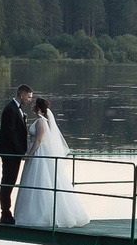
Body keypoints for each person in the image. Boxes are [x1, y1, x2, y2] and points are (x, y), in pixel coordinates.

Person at [11, 98, 91, 230]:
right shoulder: (40, 120)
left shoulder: (41, 121)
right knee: (36, 182)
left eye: (34, 103)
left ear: (38, 107)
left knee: (41, 181)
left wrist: (29, 155)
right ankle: (33, 213)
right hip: (37, 153)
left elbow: (38, 140)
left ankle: (42, 216)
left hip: (39, 154)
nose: (32, 105)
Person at [0, 84, 32, 224]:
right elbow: (10, 133)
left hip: (13, 153)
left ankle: (6, 212)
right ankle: (5, 213)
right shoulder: (10, 109)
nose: (29, 100)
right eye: (28, 97)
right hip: (9, 153)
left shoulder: (18, 109)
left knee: (10, 182)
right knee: (7, 182)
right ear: (21, 95)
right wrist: (20, 152)